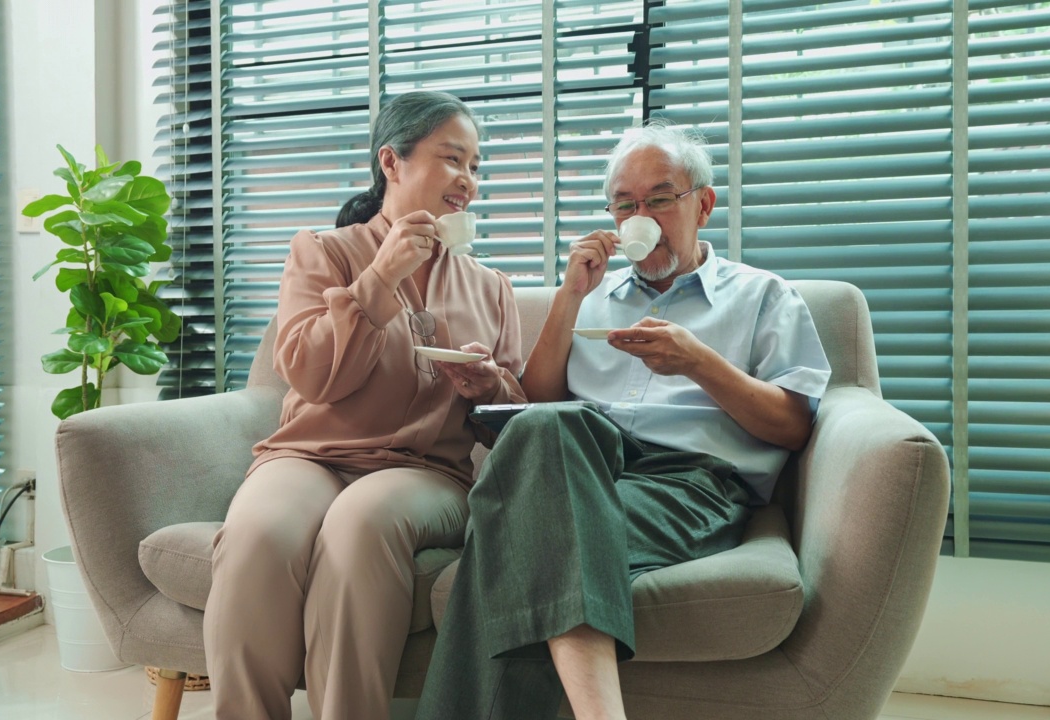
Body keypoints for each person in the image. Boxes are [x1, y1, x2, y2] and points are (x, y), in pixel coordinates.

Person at [415, 122, 832, 720]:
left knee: (516, 533)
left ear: (703, 205)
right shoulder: (594, 297)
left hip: (690, 484)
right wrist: (569, 295)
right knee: (550, 430)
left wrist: (698, 363)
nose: (642, 216)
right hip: (583, 465)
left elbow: (794, 426)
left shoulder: (762, 296)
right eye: (625, 204)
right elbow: (532, 410)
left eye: (660, 199)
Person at [204, 90, 527, 720]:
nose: (468, 181)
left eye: (476, 167)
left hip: (427, 472)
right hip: (310, 455)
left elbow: (516, 410)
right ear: (392, 163)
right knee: (257, 535)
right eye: (453, 159)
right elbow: (310, 376)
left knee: (361, 522)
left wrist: (488, 386)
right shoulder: (323, 253)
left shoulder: (491, 287)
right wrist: (376, 281)